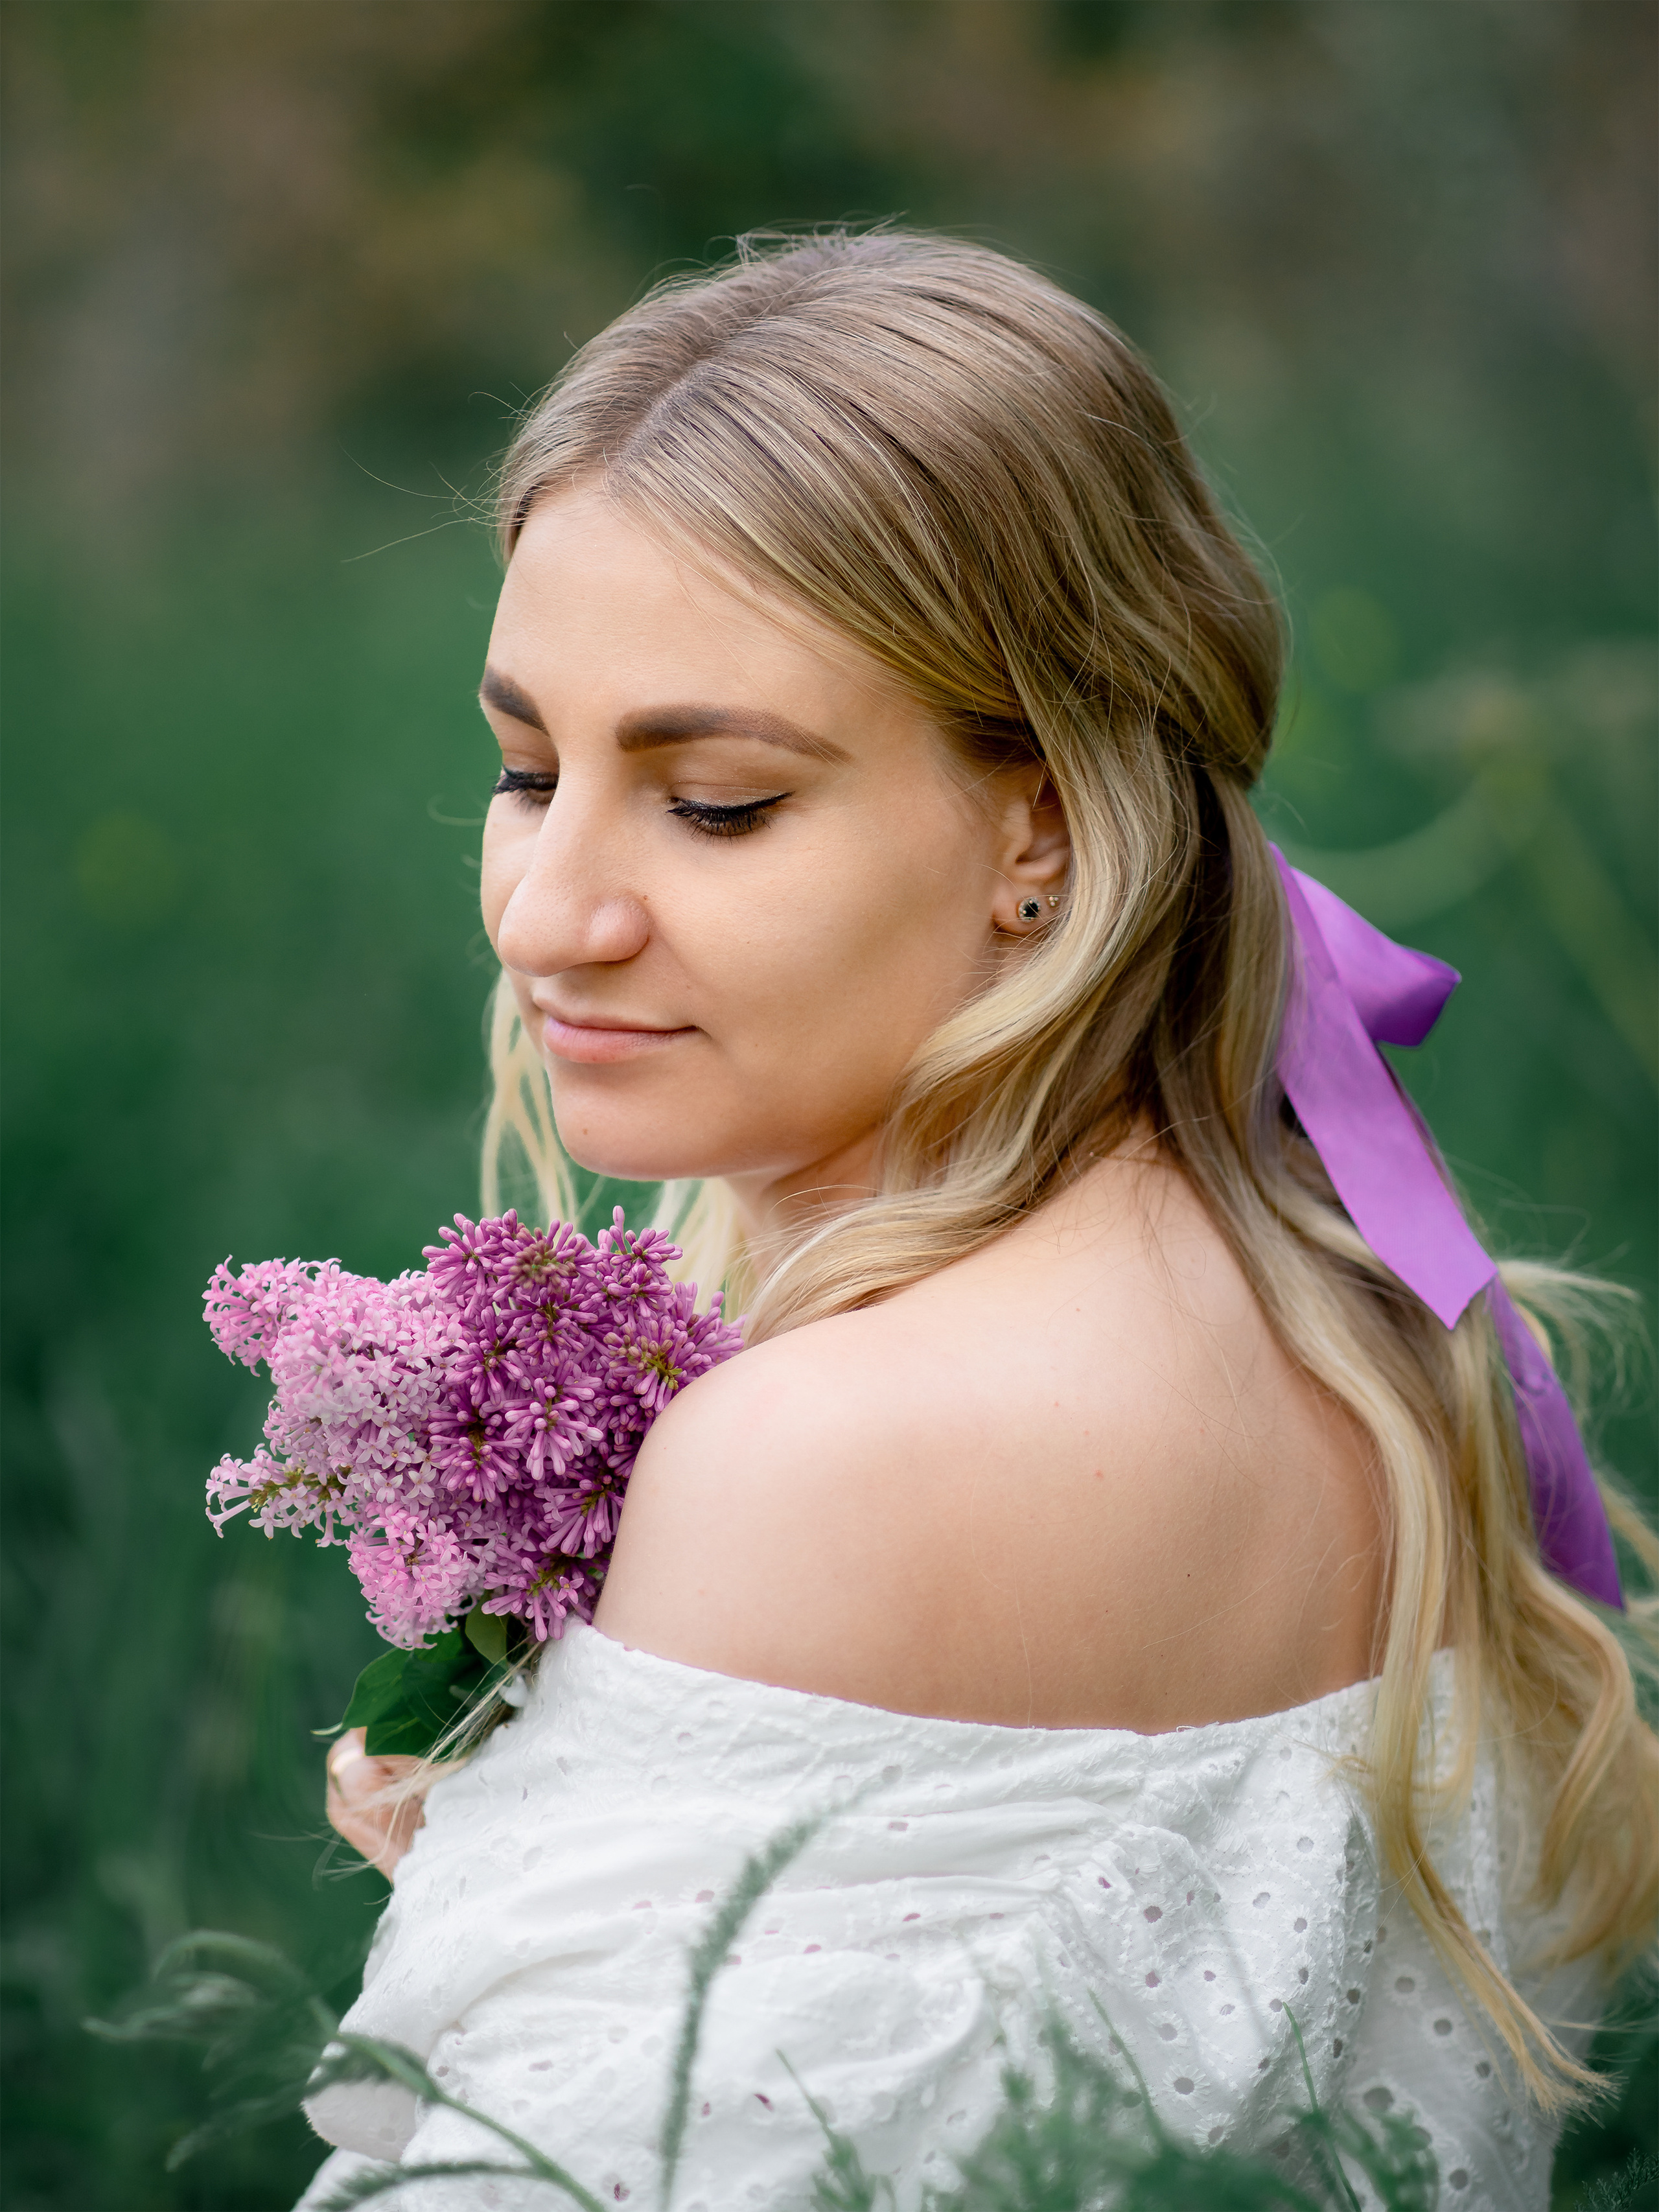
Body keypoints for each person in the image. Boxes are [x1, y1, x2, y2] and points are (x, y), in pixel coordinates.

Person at [301, 231, 1656, 2209]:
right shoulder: (1367, 1317)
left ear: (1045, 823)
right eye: (526, 769)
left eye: (716, 801)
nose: (546, 912)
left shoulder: (834, 1453)